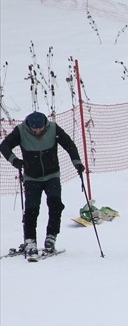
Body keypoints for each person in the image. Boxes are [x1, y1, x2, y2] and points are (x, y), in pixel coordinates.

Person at [0, 110, 85, 256]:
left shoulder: (53, 128)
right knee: (32, 210)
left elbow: (69, 144)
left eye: (40, 128)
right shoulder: (21, 131)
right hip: (32, 178)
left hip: (52, 175)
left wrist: (77, 163)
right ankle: (30, 240)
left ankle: (51, 236)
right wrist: (15, 161)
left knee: (55, 205)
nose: (37, 131)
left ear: (45, 125)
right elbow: (4, 146)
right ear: (29, 126)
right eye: (34, 129)